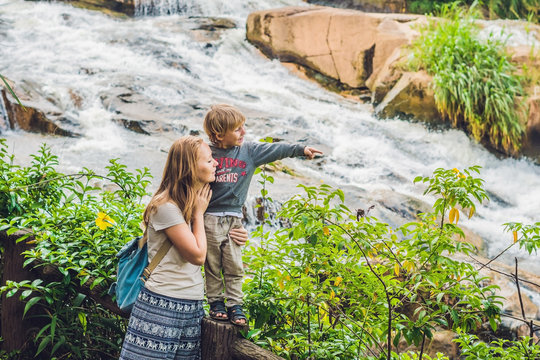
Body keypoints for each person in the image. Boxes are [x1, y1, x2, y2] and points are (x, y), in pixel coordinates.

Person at [119, 135, 248, 360]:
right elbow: (197, 255)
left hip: (192, 307)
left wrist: (236, 234)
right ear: (189, 166)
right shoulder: (165, 206)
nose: (216, 163)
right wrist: (199, 214)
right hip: (161, 306)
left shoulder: (197, 202)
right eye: (209, 161)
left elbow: (211, 240)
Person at [202, 104, 323, 325]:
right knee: (211, 264)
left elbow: (275, 149)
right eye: (237, 129)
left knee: (234, 264)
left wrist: (300, 149)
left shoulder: (249, 151)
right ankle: (216, 302)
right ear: (219, 134)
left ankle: (235, 304)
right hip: (208, 217)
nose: (244, 132)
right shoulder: (206, 153)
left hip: (234, 218)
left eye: (243, 127)